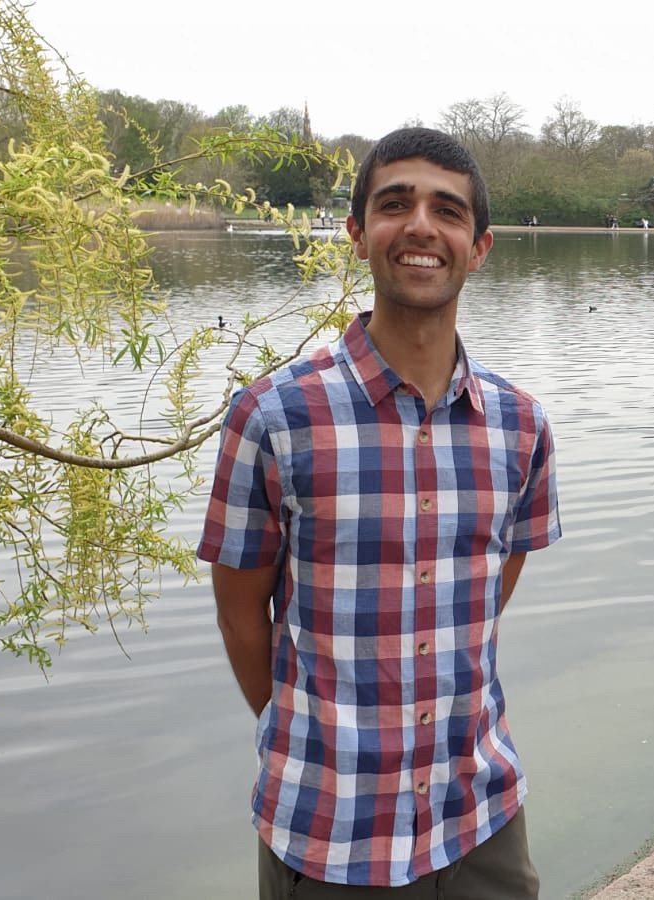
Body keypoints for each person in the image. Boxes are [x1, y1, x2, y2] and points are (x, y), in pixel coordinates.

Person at [199, 127, 562, 898]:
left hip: (480, 819)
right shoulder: (273, 415)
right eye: (395, 205)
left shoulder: (520, 424)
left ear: (480, 245)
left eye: (448, 210)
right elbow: (240, 616)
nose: (422, 226)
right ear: (359, 235)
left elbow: (489, 591)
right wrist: (313, 733)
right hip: (330, 832)